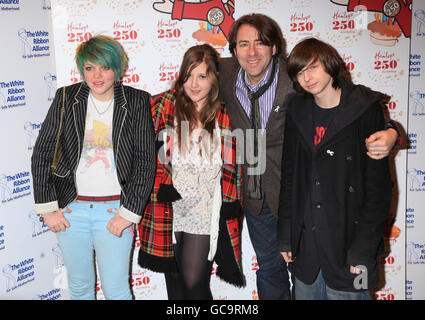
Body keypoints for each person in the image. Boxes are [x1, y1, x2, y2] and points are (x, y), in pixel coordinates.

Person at [219, 13, 398, 300]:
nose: (251, 52)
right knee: (270, 269)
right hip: (258, 196)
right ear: (234, 49)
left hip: (309, 202)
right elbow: (194, 79)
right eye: (243, 44)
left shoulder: (295, 79)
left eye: (260, 43)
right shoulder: (225, 73)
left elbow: (357, 105)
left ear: (275, 47)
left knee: (322, 279)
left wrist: (391, 132)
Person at [31, 35, 156, 300]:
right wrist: (48, 208)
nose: (97, 75)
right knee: (79, 288)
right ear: (82, 69)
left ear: (117, 69)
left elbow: (146, 162)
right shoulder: (67, 97)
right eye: (90, 68)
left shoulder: (136, 101)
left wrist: (129, 213)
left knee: (117, 290)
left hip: (114, 211)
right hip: (71, 210)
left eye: (105, 67)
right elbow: (42, 153)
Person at [278, 37, 393, 300]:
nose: (307, 77)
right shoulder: (296, 109)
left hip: (349, 242)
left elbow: (378, 189)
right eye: (300, 71)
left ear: (330, 64)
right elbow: (289, 177)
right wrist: (286, 234)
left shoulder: (364, 108)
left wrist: (363, 250)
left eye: (313, 67)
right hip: (306, 244)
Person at [137, 44, 244, 300]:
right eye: (189, 75)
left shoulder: (226, 114)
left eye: (202, 76)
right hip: (168, 210)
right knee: (175, 290)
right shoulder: (162, 107)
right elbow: (139, 152)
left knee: (194, 286)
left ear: (214, 79)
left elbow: (237, 166)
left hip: (203, 212)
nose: (194, 84)